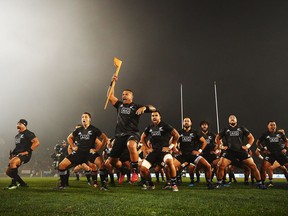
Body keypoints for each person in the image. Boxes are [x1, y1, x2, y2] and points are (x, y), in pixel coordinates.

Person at [107, 74, 156, 183]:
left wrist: (145, 107)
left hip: (132, 133)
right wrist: (112, 83)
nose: (124, 96)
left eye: (126, 94)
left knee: (131, 145)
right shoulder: (119, 105)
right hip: (119, 135)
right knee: (113, 161)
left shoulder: (136, 106)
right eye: (123, 94)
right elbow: (110, 96)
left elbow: (154, 108)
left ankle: (134, 171)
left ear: (131, 97)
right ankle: (123, 170)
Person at [56, 112, 108, 190]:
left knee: (102, 165)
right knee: (61, 165)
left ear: (89, 119)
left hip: (89, 153)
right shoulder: (78, 130)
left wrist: (97, 149)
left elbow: (105, 138)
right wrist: (73, 146)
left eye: (86, 117)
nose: (84, 118)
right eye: (82, 117)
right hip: (78, 153)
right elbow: (69, 138)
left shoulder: (94, 129)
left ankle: (103, 185)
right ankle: (62, 185)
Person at [215, 115, 266, 189]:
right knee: (221, 166)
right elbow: (217, 138)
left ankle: (260, 183)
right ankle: (219, 183)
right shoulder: (225, 129)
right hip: (229, 152)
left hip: (241, 151)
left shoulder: (241, 128)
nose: (232, 119)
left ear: (236, 120)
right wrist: (221, 146)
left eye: (234, 118)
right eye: (230, 118)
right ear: (228, 121)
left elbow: (251, 138)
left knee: (253, 165)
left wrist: (247, 146)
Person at [140, 111, 180, 191]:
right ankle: (150, 184)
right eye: (152, 115)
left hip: (163, 152)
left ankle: (173, 184)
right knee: (143, 169)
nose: (154, 117)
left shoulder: (165, 125)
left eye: (156, 115)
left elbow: (176, 135)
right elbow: (142, 138)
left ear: (160, 117)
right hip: (154, 152)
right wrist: (147, 148)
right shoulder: (149, 127)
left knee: (169, 161)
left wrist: (170, 146)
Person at [173, 118, 213, 189]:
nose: (186, 122)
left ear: (191, 123)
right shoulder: (179, 133)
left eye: (188, 121)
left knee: (208, 166)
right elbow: (174, 142)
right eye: (185, 121)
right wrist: (175, 149)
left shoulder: (195, 132)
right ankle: (171, 182)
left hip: (193, 155)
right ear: (183, 123)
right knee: (169, 166)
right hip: (183, 155)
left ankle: (209, 183)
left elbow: (204, 142)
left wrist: (199, 151)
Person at [5, 119, 40, 189]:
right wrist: (13, 154)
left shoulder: (28, 133)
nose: (17, 124)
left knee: (13, 162)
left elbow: (36, 142)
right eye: (17, 123)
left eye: (19, 123)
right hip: (17, 155)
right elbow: (18, 147)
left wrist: (27, 151)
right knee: (8, 172)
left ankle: (14, 184)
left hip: (25, 155)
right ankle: (23, 184)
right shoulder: (17, 136)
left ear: (24, 124)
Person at [256, 121, 288, 186]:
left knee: (286, 167)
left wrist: (285, 148)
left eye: (274, 125)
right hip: (270, 154)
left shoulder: (280, 133)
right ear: (268, 126)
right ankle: (262, 183)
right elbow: (257, 143)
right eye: (271, 125)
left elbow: (287, 141)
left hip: (280, 154)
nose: (273, 126)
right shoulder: (265, 134)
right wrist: (263, 150)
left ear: (276, 126)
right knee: (263, 167)